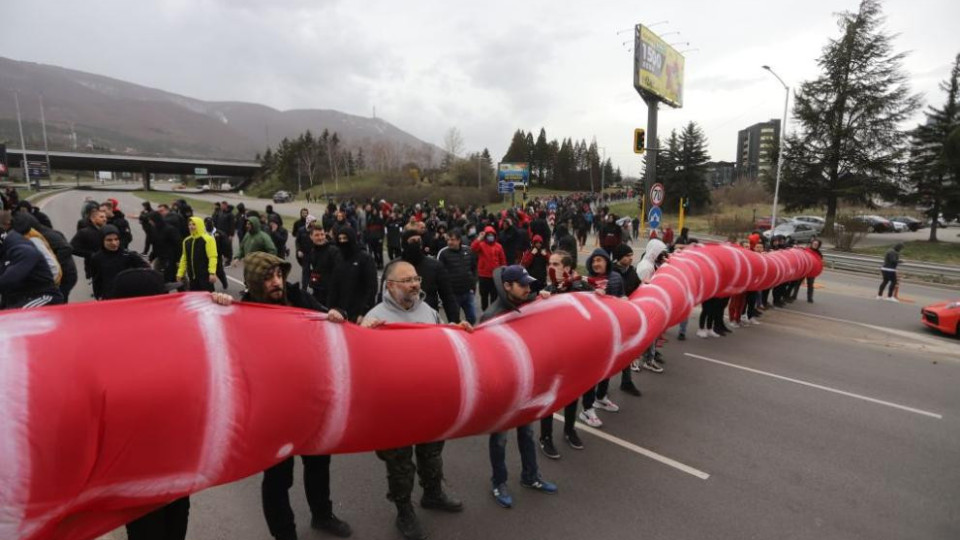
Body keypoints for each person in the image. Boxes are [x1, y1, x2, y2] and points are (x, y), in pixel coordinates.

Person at [211, 253, 352, 540]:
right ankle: (284, 534)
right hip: (271, 412)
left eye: (279, 275)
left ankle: (322, 515)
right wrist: (219, 306)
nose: (276, 282)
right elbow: (219, 342)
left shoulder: (299, 298)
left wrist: (337, 315)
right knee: (277, 478)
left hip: (309, 403)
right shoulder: (242, 310)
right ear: (253, 282)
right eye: (268, 278)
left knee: (318, 464)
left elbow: (326, 318)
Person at [361, 260, 467, 540]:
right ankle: (404, 510)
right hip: (395, 410)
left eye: (416, 278)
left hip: (428, 403)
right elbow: (361, 366)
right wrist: (363, 336)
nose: (415, 284)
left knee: (431, 453)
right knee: (400, 464)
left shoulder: (429, 311)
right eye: (407, 280)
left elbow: (445, 345)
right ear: (391, 285)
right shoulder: (374, 317)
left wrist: (460, 333)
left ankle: (433, 493)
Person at [108, 268, 189, 540]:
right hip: (138, 476)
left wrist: (218, 307)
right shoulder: (109, 352)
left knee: (176, 527)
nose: (170, 301)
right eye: (163, 296)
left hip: (176, 467)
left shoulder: (173, 337)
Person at [482, 265, 558, 508]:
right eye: (523, 285)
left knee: (526, 433)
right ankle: (499, 482)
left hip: (525, 388)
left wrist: (543, 297)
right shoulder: (491, 316)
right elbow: (484, 359)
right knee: (500, 440)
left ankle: (530, 476)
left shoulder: (527, 304)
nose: (528, 289)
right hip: (503, 391)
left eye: (529, 285)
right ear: (507, 286)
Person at [0, 211, 64, 308]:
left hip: (42, 296)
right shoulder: (6, 249)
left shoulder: (23, 250)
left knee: (15, 315)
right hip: (20, 297)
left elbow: (8, 280)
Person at [327, 226, 377, 323]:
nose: (342, 241)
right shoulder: (338, 257)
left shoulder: (365, 258)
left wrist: (364, 312)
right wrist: (331, 307)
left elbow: (371, 287)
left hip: (357, 312)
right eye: (340, 239)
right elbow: (334, 284)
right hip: (339, 311)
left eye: (345, 238)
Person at [90, 225, 150, 300]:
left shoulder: (128, 255)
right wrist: (98, 296)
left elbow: (146, 269)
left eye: (116, 239)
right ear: (102, 241)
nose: (114, 243)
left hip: (129, 295)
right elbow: (96, 279)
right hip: (109, 297)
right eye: (109, 240)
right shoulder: (97, 258)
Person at [436, 228, 478, 325]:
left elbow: (474, 268)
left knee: (472, 317)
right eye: (448, 240)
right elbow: (439, 273)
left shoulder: (468, 250)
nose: (449, 242)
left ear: (459, 240)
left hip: (468, 292)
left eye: (452, 239)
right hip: (453, 294)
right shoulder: (443, 253)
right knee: (454, 320)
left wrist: (473, 285)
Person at [176, 217, 218, 292]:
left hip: (205, 277)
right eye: (189, 224)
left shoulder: (208, 239)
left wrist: (212, 273)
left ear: (199, 225)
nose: (191, 227)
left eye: (194, 224)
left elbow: (212, 257)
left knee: (207, 300)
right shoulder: (186, 241)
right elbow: (184, 258)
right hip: (192, 278)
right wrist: (180, 273)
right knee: (195, 300)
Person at [471, 226, 506, 311]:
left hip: (495, 276)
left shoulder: (499, 246)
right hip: (483, 275)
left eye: (492, 235)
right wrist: (479, 238)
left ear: (494, 236)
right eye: (488, 235)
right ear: (485, 236)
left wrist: (503, 272)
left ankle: (493, 312)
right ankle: (485, 312)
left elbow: (503, 260)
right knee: (484, 296)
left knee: (494, 296)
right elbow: (473, 248)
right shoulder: (481, 245)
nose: (490, 236)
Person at [305, 224, 341, 306]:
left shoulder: (333, 251)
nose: (320, 237)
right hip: (316, 291)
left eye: (322, 234)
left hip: (330, 294)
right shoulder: (311, 251)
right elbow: (308, 270)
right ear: (311, 236)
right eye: (317, 235)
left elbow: (339, 273)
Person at [71, 207, 108, 280]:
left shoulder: (108, 230)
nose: (105, 219)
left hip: (109, 266)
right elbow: (73, 248)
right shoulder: (84, 232)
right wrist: (91, 254)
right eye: (101, 217)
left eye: (105, 217)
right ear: (93, 219)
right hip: (93, 268)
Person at [805, 238, 823, 302]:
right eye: (814, 244)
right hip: (804, 269)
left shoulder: (819, 254)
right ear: (812, 244)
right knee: (797, 283)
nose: (815, 245)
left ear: (818, 246)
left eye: (816, 244)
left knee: (810, 284)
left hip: (812, 271)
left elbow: (819, 262)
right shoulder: (806, 250)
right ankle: (793, 295)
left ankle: (810, 298)